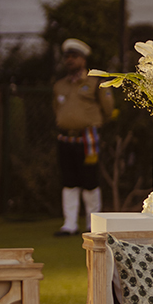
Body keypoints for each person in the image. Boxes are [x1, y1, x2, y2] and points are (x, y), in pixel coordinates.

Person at [52, 38, 113, 236]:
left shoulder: (95, 84)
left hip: (88, 140)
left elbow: (108, 110)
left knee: (90, 181)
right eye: (67, 57)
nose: (70, 60)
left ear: (83, 60)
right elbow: (57, 109)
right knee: (68, 181)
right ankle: (69, 224)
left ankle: (92, 223)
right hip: (65, 139)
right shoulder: (60, 85)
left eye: (74, 56)